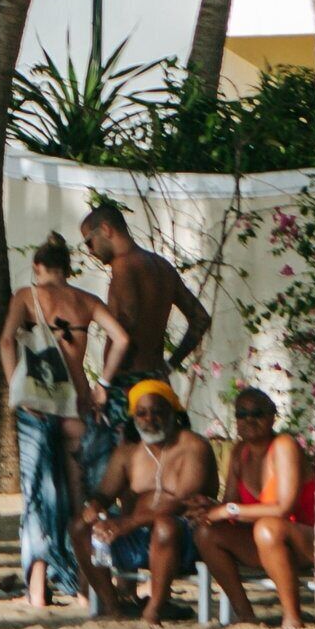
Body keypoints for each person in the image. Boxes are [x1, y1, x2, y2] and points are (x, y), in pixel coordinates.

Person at [0, 233, 125, 607]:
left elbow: (5, 342)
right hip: (78, 403)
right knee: (83, 500)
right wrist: (103, 384)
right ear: (66, 269)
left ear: (37, 267)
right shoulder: (85, 301)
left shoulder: (26, 296)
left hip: (38, 404)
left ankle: (37, 590)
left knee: (38, 496)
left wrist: (16, 389)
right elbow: (122, 337)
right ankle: (88, 588)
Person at [76, 202, 209, 505]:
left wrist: (105, 384)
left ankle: (123, 539)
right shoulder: (161, 266)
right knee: (160, 465)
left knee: (118, 472)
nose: (90, 251)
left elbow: (125, 327)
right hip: (157, 383)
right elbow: (200, 318)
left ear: (106, 230)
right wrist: (171, 364)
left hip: (126, 386)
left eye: (89, 241)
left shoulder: (124, 267)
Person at [79, 379, 218, 623]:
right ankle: (113, 607)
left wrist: (126, 523)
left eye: (157, 411)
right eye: (141, 413)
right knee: (79, 528)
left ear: (173, 413)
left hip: (183, 538)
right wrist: (94, 507)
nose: (150, 419)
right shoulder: (127, 452)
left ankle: (154, 610)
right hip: (134, 537)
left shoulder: (194, 446)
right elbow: (103, 494)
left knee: (165, 525)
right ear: (133, 417)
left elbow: (183, 501)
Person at [191, 387, 315, 629]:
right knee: (206, 533)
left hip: (307, 540)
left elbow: (282, 508)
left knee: (267, 529)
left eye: (257, 413)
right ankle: (245, 615)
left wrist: (228, 510)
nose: (249, 419)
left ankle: (292, 617)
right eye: (242, 414)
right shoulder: (239, 453)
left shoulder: (284, 445)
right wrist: (209, 508)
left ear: (272, 417)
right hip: (267, 542)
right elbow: (231, 504)